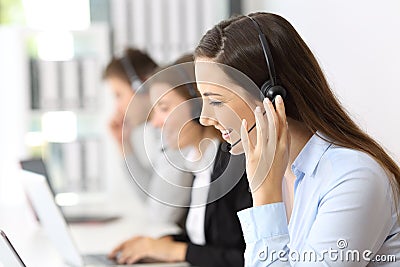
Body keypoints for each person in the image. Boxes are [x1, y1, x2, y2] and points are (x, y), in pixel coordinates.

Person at [194, 12, 400, 266]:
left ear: (270, 95)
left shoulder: (353, 177)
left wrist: (264, 198)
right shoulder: (281, 174)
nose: (204, 118)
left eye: (215, 100)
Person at [108, 54, 252, 267]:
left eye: (164, 108)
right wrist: (159, 245)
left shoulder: (235, 169)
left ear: (198, 107)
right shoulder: (202, 166)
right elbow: (206, 242)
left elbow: (249, 257)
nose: (156, 122)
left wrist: (176, 250)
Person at [103, 48, 193, 225]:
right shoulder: (156, 134)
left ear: (142, 86)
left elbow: (160, 212)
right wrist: (123, 144)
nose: (118, 107)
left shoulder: (176, 133)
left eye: (119, 95)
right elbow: (151, 196)